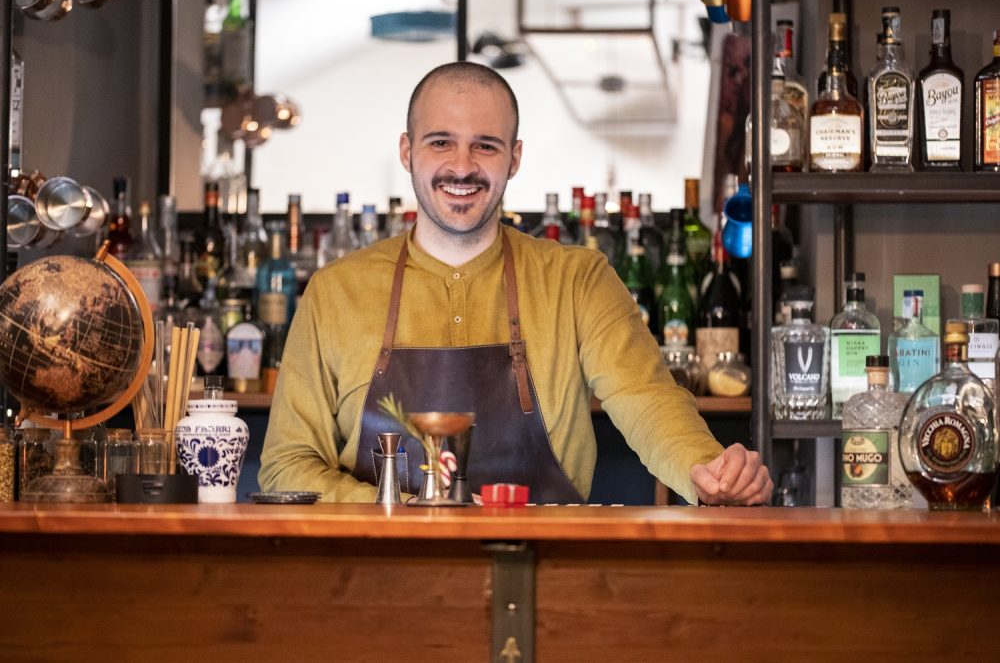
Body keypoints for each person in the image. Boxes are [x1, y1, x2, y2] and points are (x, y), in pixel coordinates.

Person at [259, 61, 771, 506]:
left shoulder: (578, 280)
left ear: (515, 158)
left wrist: (709, 472)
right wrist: (407, 508)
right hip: (377, 573)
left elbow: (648, 399)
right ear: (407, 151)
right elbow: (287, 466)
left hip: (544, 566)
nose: (462, 166)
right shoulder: (334, 292)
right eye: (441, 142)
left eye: (486, 146)